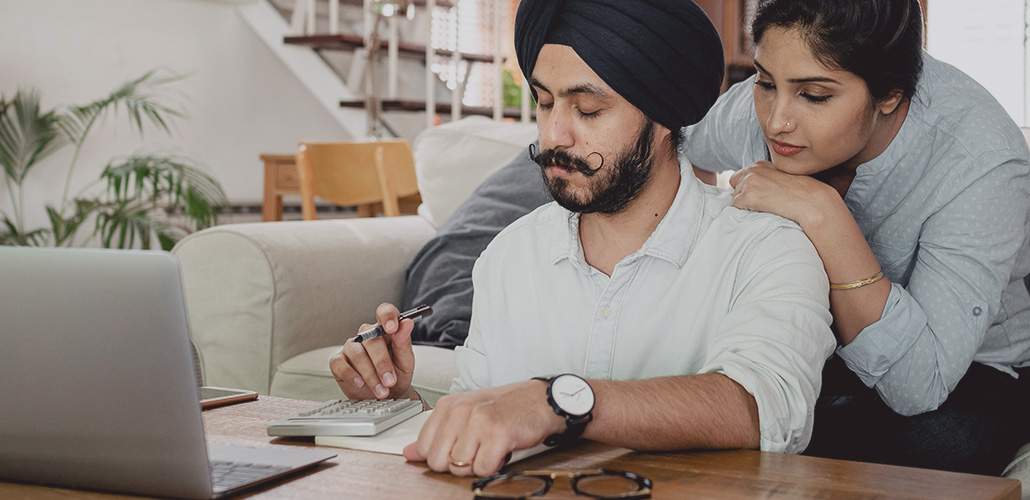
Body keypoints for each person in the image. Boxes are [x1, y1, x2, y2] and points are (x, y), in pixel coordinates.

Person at [329, 0, 836, 478]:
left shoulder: (767, 247)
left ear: (663, 116)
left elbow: (765, 410)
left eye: (588, 110)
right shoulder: (509, 256)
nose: (554, 135)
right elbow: (481, 420)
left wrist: (556, 402)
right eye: (544, 103)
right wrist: (396, 400)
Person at [684, 0, 1030, 475]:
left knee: (935, 448)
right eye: (766, 83)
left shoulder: (980, 162)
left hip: (967, 368)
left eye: (816, 96)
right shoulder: (762, 105)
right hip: (813, 343)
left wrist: (823, 214)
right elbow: (681, 148)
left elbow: (919, 384)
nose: (776, 120)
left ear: (890, 95)